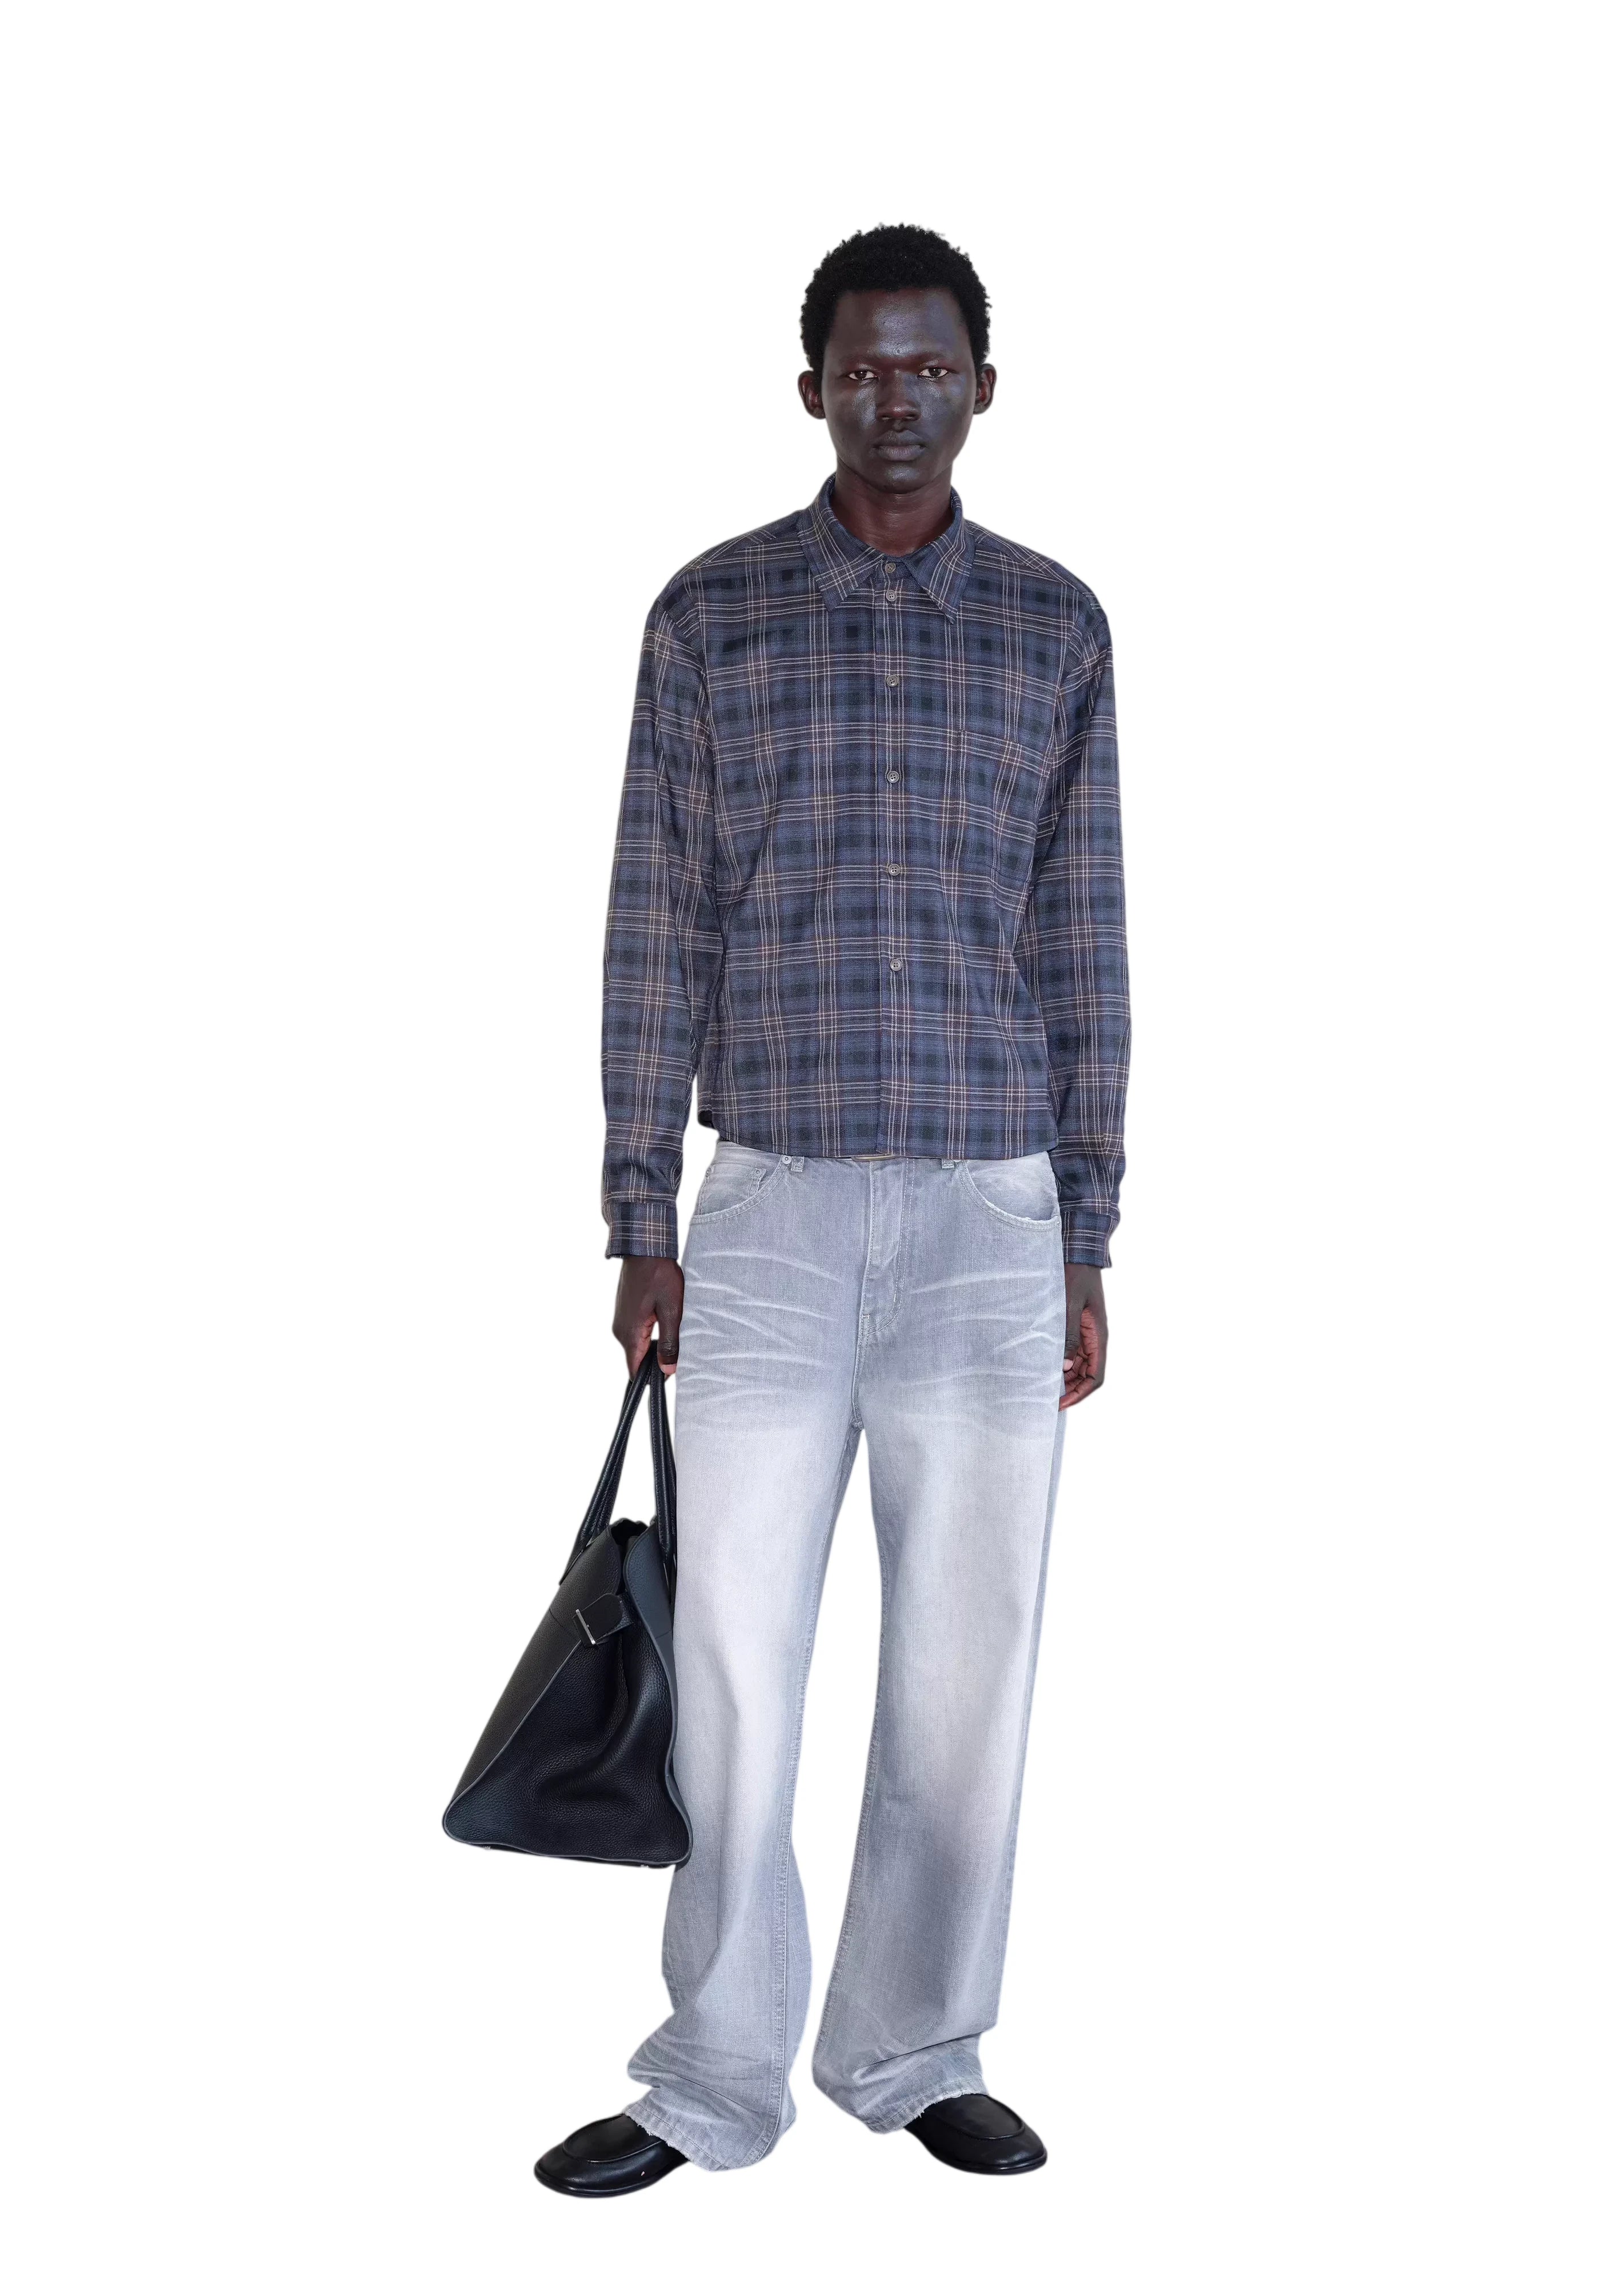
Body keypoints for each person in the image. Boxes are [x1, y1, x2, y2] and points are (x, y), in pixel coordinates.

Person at [535, 224, 1130, 2196]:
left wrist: (1089, 1231)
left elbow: (1083, 939)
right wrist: (643, 1212)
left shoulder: (1053, 629)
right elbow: (656, 923)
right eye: (864, 368)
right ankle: (710, 2080)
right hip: (771, 1216)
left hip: (988, 1218)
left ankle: (914, 2045)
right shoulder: (711, 617)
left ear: (984, 387)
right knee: (727, 1673)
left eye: (931, 366)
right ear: (810, 389)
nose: (898, 398)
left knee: (966, 1675)